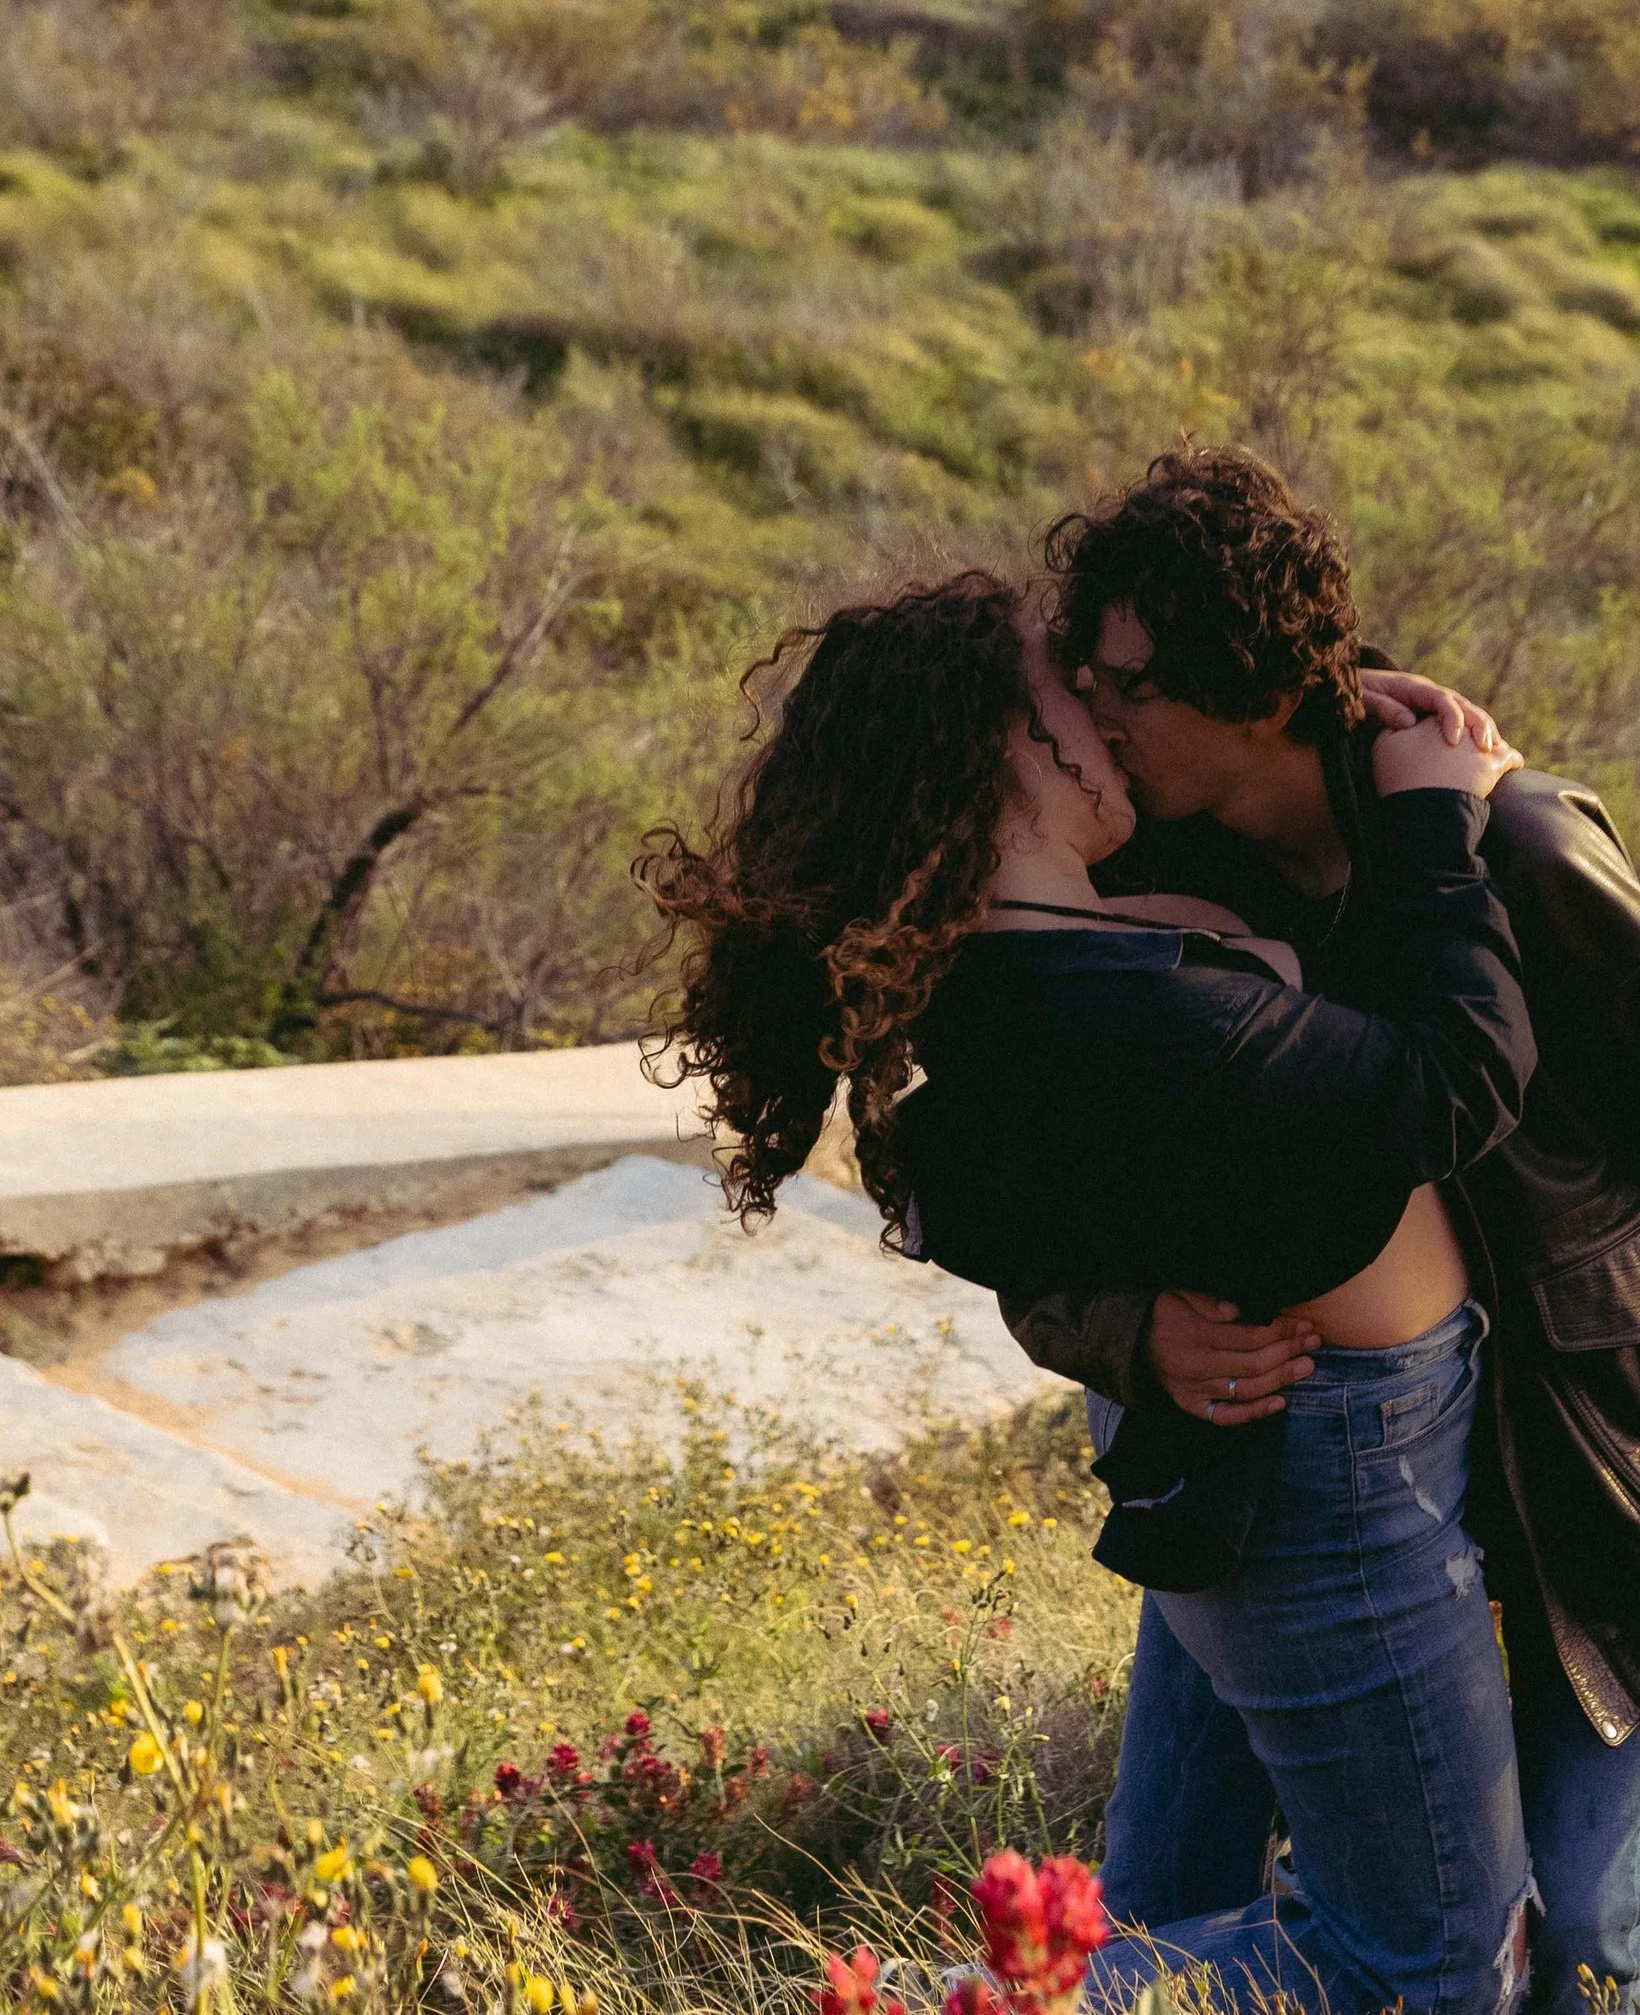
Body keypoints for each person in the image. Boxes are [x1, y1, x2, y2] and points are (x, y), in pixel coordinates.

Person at [1015, 449, 1640, 2015]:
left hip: (1581, 1463)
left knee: (1567, 1947)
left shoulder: (1523, 853)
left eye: (1131, 680)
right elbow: (1029, 1189)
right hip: (1294, 1463)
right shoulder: (1150, 871)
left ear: (1264, 687)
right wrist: (1125, 1323)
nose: (1101, 713)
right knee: (1156, 1906)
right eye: (1086, 676)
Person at [639, 569, 1544, 2015]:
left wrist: (1318, 705)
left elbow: (958, 1188)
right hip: (1329, 1472)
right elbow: (1454, 1079)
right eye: (1077, 684)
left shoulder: (1043, 946)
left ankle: (1032, 1991)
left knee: (1180, 1907)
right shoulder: (1103, 1004)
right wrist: (1442, 814)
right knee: (1423, 1957)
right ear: (1012, 742)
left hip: (1266, 1446)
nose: (1113, 708)